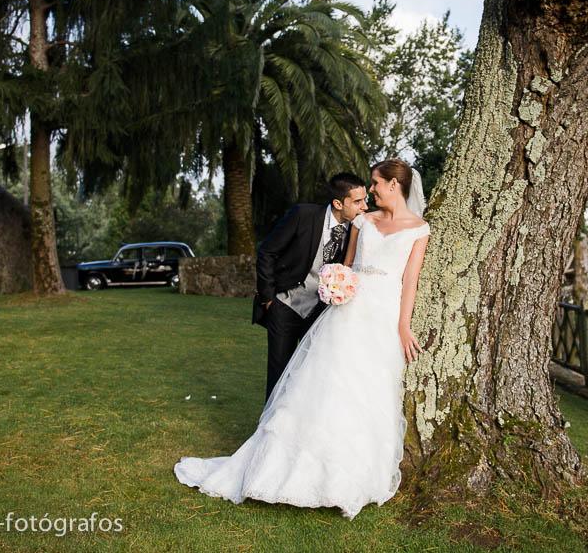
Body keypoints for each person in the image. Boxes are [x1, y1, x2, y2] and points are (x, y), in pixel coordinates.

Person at [175, 159, 430, 519]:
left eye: (375, 183)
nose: (371, 190)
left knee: (367, 390)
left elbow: (411, 282)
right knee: (323, 383)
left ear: (393, 185)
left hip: (383, 317)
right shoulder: (362, 222)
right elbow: (345, 266)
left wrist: (403, 326)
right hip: (346, 314)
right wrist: (337, 286)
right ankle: (288, 462)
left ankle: (350, 472)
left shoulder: (419, 229)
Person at [251, 173, 369, 402]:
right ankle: (270, 422)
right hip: (285, 305)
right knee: (279, 374)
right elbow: (267, 252)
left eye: (365, 199)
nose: (365, 206)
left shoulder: (358, 229)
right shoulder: (303, 215)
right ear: (338, 203)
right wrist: (268, 298)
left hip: (320, 314)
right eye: (358, 201)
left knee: (309, 375)